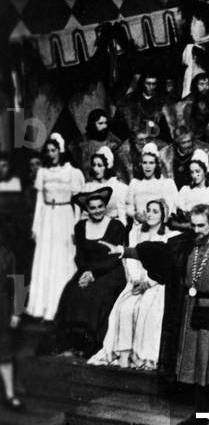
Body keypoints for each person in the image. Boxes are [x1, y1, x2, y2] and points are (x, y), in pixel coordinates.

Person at [101, 204, 209, 425]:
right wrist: (123, 251)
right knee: (197, 365)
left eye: (201, 226)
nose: (196, 230)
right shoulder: (185, 244)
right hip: (189, 311)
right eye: (193, 225)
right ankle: (200, 414)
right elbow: (157, 252)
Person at [89, 198, 179, 370]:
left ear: (163, 215)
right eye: (148, 210)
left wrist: (148, 282)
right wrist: (135, 279)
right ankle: (124, 355)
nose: (150, 215)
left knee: (148, 310)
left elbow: (166, 265)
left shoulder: (169, 236)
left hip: (157, 284)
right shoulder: (135, 232)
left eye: (155, 211)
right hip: (136, 281)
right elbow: (130, 259)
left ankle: (144, 356)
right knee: (124, 309)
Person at [41, 188, 127, 358]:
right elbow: (80, 256)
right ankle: (71, 343)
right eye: (92, 208)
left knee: (95, 295)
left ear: (105, 206)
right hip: (86, 271)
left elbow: (114, 257)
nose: (97, 210)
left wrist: (94, 274)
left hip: (110, 271)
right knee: (71, 292)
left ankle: (89, 345)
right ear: (87, 209)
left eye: (100, 206)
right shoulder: (80, 227)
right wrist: (86, 271)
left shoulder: (116, 226)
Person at [26, 132, 85, 322]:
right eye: (48, 151)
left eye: (54, 150)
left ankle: (61, 307)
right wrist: (36, 227)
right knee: (46, 259)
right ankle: (43, 307)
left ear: (60, 151)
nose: (51, 154)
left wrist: (76, 226)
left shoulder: (71, 173)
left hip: (64, 217)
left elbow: (78, 201)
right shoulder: (43, 173)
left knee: (62, 259)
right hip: (47, 219)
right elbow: (39, 202)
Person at [125, 141, 179, 225]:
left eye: (151, 163)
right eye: (145, 163)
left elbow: (172, 208)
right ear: (141, 164)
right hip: (139, 225)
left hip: (160, 225)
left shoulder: (166, 183)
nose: (147, 166)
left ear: (156, 164)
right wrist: (135, 215)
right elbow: (128, 207)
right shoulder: (135, 183)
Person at [177, 149, 209, 226]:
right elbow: (180, 213)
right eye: (192, 172)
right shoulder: (185, 190)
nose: (194, 175)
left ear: (205, 171)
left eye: (197, 171)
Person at [0, 233, 22, 409]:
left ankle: (10, 394)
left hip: (3, 309)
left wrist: (17, 312)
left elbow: (18, 284)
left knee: (5, 352)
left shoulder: (7, 255)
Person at [72, 109, 121, 179]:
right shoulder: (80, 143)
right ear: (92, 124)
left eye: (106, 123)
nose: (104, 126)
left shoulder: (114, 142)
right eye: (100, 123)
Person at [83, 146, 127, 222]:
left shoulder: (119, 187)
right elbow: (85, 215)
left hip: (113, 227)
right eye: (94, 165)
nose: (95, 169)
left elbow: (122, 216)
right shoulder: (88, 187)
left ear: (107, 166)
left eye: (99, 165)